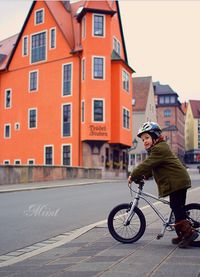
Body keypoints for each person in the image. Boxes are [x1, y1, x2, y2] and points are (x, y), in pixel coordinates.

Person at [128, 121, 198, 248]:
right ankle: (182, 234)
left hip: (177, 182)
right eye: (143, 139)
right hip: (178, 181)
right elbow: (152, 167)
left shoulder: (159, 149)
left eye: (147, 138)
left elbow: (147, 164)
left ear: (155, 137)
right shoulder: (158, 149)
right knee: (176, 207)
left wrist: (133, 175)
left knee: (176, 207)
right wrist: (145, 176)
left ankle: (189, 233)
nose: (145, 141)